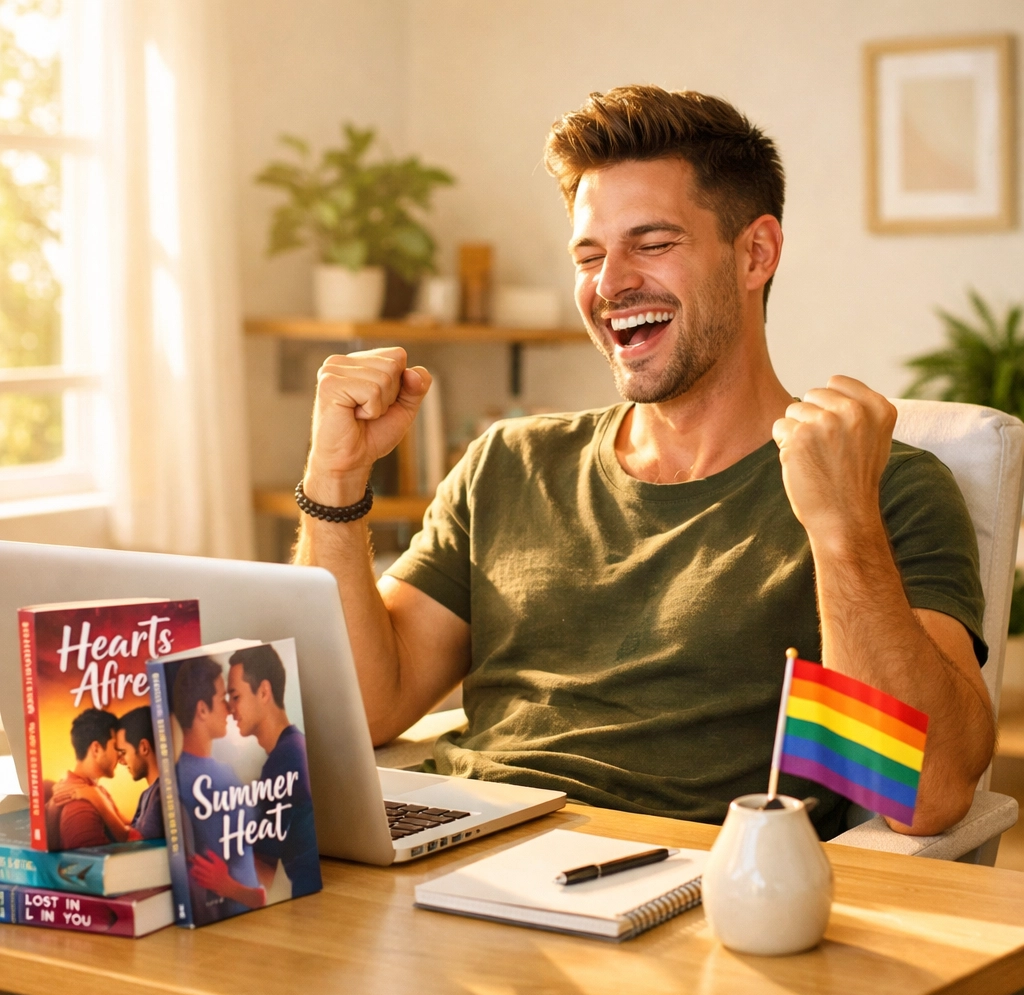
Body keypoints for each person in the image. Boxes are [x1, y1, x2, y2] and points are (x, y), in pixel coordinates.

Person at [293, 85, 994, 840]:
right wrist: (336, 479)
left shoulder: (879, 483)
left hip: (665, 882)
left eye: (653, 244)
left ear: (755, 253)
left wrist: (842, 526)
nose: (611, 283)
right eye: (589, 255)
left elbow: (927, 794)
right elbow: (366, 707)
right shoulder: (509, 463)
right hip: (455, 844)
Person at [172, 656, 265, 923]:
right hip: (242, 917)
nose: (228, 709)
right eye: (223, 698)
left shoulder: (185, 773)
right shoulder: (212, 778)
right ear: (202, 710)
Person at [226, 645, 320, 897]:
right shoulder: (294, 747)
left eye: (235, 697)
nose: (229, 709)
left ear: (264, 691)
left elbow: (262, 874)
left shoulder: (284, 760)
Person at [48, 708, 141, 849]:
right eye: (116, 747)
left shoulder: (94, 791)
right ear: (96, 749)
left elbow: (130, 827)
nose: (121, 757)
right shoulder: (81, 804)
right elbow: (90, 866)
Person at [116, 706, 164, 840]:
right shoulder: (147, 795)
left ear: (143, 747)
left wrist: (97, 801)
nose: (121, 762)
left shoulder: (162, 793)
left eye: (123, 753)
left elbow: (138, 843)